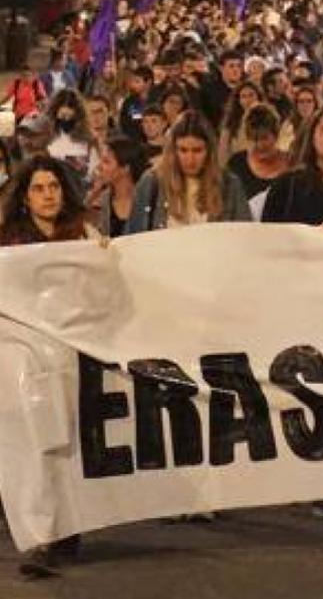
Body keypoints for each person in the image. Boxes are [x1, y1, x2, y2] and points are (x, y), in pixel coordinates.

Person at [0, 155, 102, 577]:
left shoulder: (85, 234)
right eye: (39, 188)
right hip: (23, 358)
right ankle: (39, 536)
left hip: (72, 354)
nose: (48, 195)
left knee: (67, 444)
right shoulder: (8, 243)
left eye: (54, 187)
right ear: (25, 197)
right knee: (31, 444)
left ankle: (66, 526)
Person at [127, 111, 252, 232]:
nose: (190, 159)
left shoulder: (229, 185)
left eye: (197, 150)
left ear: (209, 151)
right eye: (183, 150)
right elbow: (133, 238)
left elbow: (243, 239)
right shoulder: (152, 183)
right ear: (173, 150)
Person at [227, 105, 290, 202]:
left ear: (276, 135)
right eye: (254, 139)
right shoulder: (236, 164)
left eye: (264, 138)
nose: (259, 145)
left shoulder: (292, 163)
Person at [92, 136, 150, 238]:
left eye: (106, 162)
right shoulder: (103, 201)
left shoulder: (147, 197)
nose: (99, 167)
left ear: (125, 168)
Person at [218, 82, 266, 162]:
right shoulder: (231, 121)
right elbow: (223, 152)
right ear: (238, 100)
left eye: (251, 95)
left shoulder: (268, 118)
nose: (248, 100)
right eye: (243, 96)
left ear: (258, 97)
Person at [280, 84, 319, 153]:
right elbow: (283, 149)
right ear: (296, 105)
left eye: (309, 101)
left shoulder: (321, 122)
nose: (305, 105)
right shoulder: (289, 124)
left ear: (315, 104)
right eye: (301, 102)